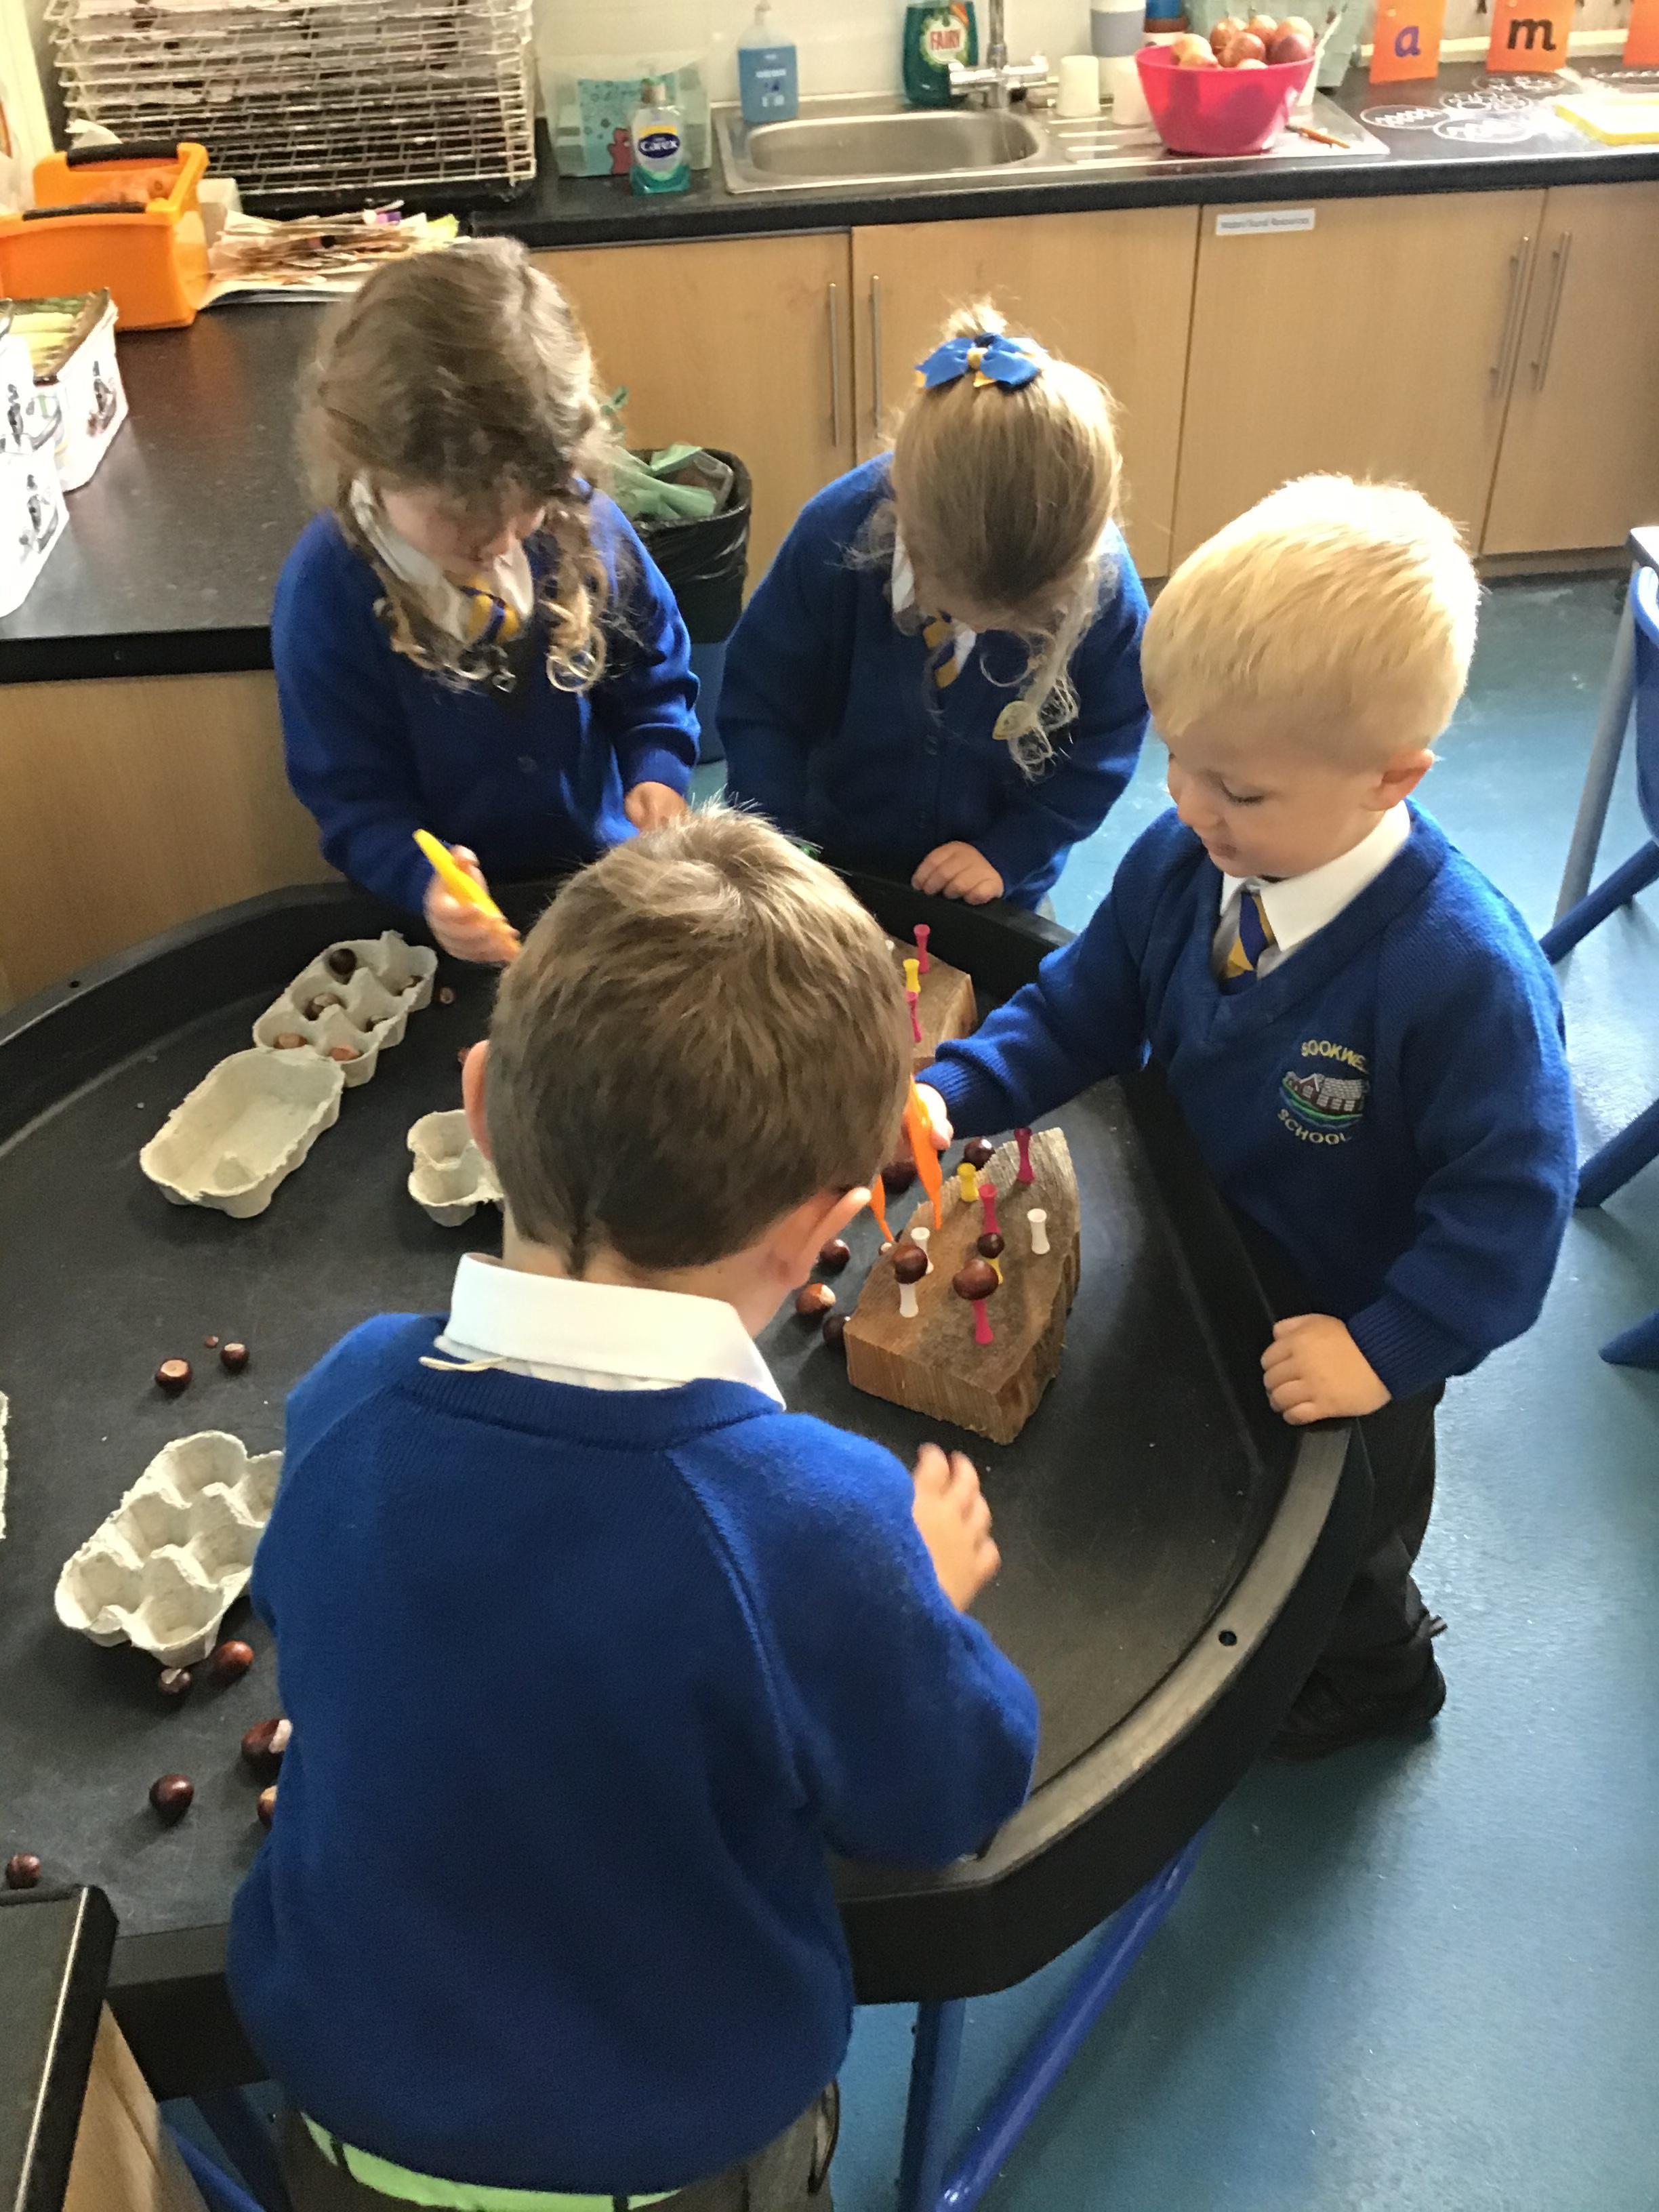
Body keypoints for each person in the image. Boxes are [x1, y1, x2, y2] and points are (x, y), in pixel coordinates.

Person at [228, 806, 1038, 2211]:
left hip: (346, 2142)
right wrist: (922, 1599)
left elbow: (325, 1618)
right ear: (823, 1228)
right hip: (675, 2169)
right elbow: (947, 1795)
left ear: (481, 1103)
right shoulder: (824, 1523)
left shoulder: (348, 1394)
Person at [916, 476, 1578, 1759]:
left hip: (1356, 1318)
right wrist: (956, 1087)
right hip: (1202, 1251)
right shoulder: (1188, 862)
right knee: (1230, 1491)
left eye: (1241, 789)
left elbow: (1508, 1222)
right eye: (1179, 760)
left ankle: (1381, 1675)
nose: (1188, 804)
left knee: (1346, 1532)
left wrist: (1384, 1349)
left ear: (1393, 778)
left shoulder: (1464, 978)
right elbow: (1081, 1007)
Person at [274, 239, 700, 966]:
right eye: (460, 517)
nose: (502, 543)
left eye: (525, 506)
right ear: (373, 468)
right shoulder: (329, 591)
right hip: (449, 925)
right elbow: (353, 800)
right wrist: (425, 882)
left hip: (602, 884)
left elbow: (653, 672)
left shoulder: (582, 522)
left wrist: (658, 766)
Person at [720, 304, 1149, 912]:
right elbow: (762, 705)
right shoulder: (831, 538)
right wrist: (775, 838)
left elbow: (1103, 750)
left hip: (995, 879)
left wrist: (1012, 852)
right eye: (959, 608)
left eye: (1015, 625)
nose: (979, 629)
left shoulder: (1107, 594)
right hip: (828, 862)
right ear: (901, 518)